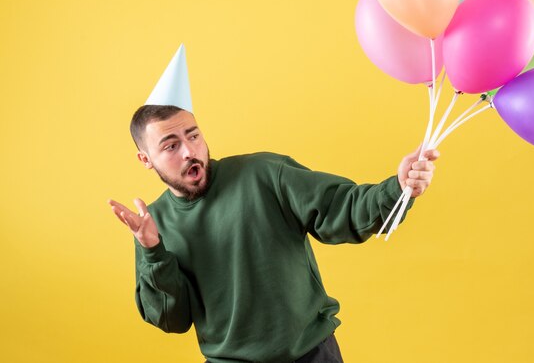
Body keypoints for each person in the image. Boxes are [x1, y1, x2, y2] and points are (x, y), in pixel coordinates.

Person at [108, 104, 439, 363]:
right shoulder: (153, 224)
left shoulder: (265, 174)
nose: (188, 152)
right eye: (171, 145)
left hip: (311, 356)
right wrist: (153, 251)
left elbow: (343, 208)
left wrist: (399, 187)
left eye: (193, 136)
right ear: (145, 159)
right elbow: (172, 319)